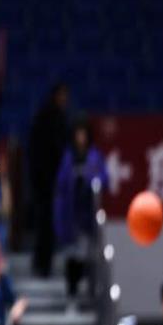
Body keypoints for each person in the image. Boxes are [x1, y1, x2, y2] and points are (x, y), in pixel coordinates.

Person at [54, 119, 108, 301]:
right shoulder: (69, 157)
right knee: (72, 256)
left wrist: (90, 180)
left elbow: (104, 178)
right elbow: (61, 184)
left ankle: (90, 294)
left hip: (88, 214)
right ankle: (72, 293)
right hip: (71, 215)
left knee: (89, 257)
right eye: (78, 133)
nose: (81, 137)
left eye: (83, 133)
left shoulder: (94, 156)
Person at [28, 83, 69, 277]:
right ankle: (41, 264)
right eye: (62, 95)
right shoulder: (48, 118)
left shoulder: (59, 118)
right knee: (44, 224)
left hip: (53, 182)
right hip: (44, 181)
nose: (64, 99)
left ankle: (44, 264)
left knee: (49, 224)